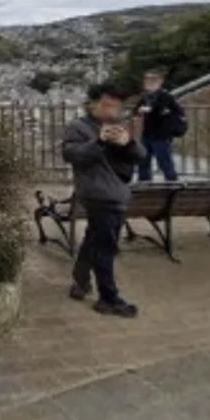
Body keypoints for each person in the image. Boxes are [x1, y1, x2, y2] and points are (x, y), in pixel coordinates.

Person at [62, 84, 141, 318]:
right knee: (105, 248)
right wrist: (100, 141)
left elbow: (141, 156)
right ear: (92, 104)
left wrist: (128, 142)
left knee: (93, 240)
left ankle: (80, 281)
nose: (111, 110)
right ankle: (108, 298)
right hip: (98, 194)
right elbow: (72, 154)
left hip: (116, 193)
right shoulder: (78, 127)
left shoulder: (119, 126)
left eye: (116, 106)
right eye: (107, 105)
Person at [135, 67, 187, 182]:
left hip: (161, 134)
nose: (149, 82)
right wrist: (139, 110)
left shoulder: (165, 96)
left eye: (153, 79)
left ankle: (172, 182)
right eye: (147, 79)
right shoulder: (145, 96)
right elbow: (136, 109)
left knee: (164, 160)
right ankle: (144, 182)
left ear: (160, 81)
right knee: (143, 159)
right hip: (147, 133)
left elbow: (162, 110)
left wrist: (150, 109)